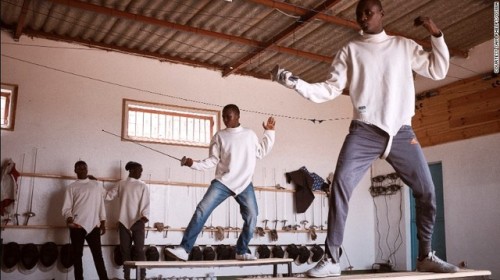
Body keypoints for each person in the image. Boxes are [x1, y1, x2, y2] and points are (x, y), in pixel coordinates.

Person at [272, 0, 459, 277]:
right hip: (364, 131)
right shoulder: (350, 50)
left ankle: (425, 256)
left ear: (382, 14)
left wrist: (436, 34)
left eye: (369, 13)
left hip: (401, 132)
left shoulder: (403, 46)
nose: (363, 18)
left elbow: (437, 70)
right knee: (340, 187)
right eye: (359, 14)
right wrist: (296, 83)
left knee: (428, 192)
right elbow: (329, 89)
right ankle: (332, 258)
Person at [166, 104, 276, 261]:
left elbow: (261, 152)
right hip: (223, 182)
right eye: (223, 116)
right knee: (201, 210)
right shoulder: (219, 136)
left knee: (252, 217)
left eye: (228, 117)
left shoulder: (249, 134)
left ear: (237, 116)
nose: (225, 120)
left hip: (244, 183)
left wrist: (269, 132)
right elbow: (212, 160)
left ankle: (241, 250)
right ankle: (184, 249)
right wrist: (193, 164)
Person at [61, 161, 109, 280]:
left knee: (98, 256)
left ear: (87, 170)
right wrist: (69, 217)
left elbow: (101, 204)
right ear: (75, 170)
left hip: (94, 226)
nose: (82, 170)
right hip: (77, 225)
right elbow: (66, 207)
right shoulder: (71, 187)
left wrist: (103, 221)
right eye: (79, 168)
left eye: (84, 168)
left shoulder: (96, 185)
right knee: (77, 256)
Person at [106, 161, 150, 280]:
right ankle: (127, 277)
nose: (141, 172)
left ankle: (142, 277)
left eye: (141, 170)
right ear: (131, 170)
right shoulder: (121, 184)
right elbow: (108, 196)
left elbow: (146, 205)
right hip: (123, 221)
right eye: (139, 169)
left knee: (139, 250)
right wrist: (94, 185)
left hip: (138, 221)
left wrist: (143, 219)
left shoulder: (142, 185)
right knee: (125, 250)